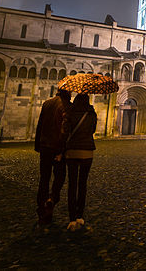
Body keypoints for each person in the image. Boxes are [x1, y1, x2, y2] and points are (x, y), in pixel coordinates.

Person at [34, 89, 71, 225]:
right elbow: (65, 129)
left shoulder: (47, 103)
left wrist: (37, 143)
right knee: (60, 176)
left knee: (44, 177)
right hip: (57, 148)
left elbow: (40, 124)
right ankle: (52, 198)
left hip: (44, 146)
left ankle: (41, 205)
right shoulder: (67, 106)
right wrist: (62, 151)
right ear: (68, 93)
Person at [63, 93, 97, 231]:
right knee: (82, 184)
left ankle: (71, 219)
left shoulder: (70, 113)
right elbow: (92, 130)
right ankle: (80, 216)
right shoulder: (91, 113)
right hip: (87, 151)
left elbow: (65, 131)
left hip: (72, 151)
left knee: (72, 184)